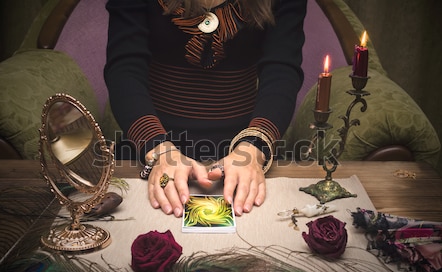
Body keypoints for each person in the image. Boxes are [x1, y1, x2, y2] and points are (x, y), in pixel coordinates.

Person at [104, 0, 306, 218]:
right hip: (148, 151)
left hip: (247, 155)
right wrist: (158, 149)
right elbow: (124, 69)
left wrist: (254, 145)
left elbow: (281, 69)